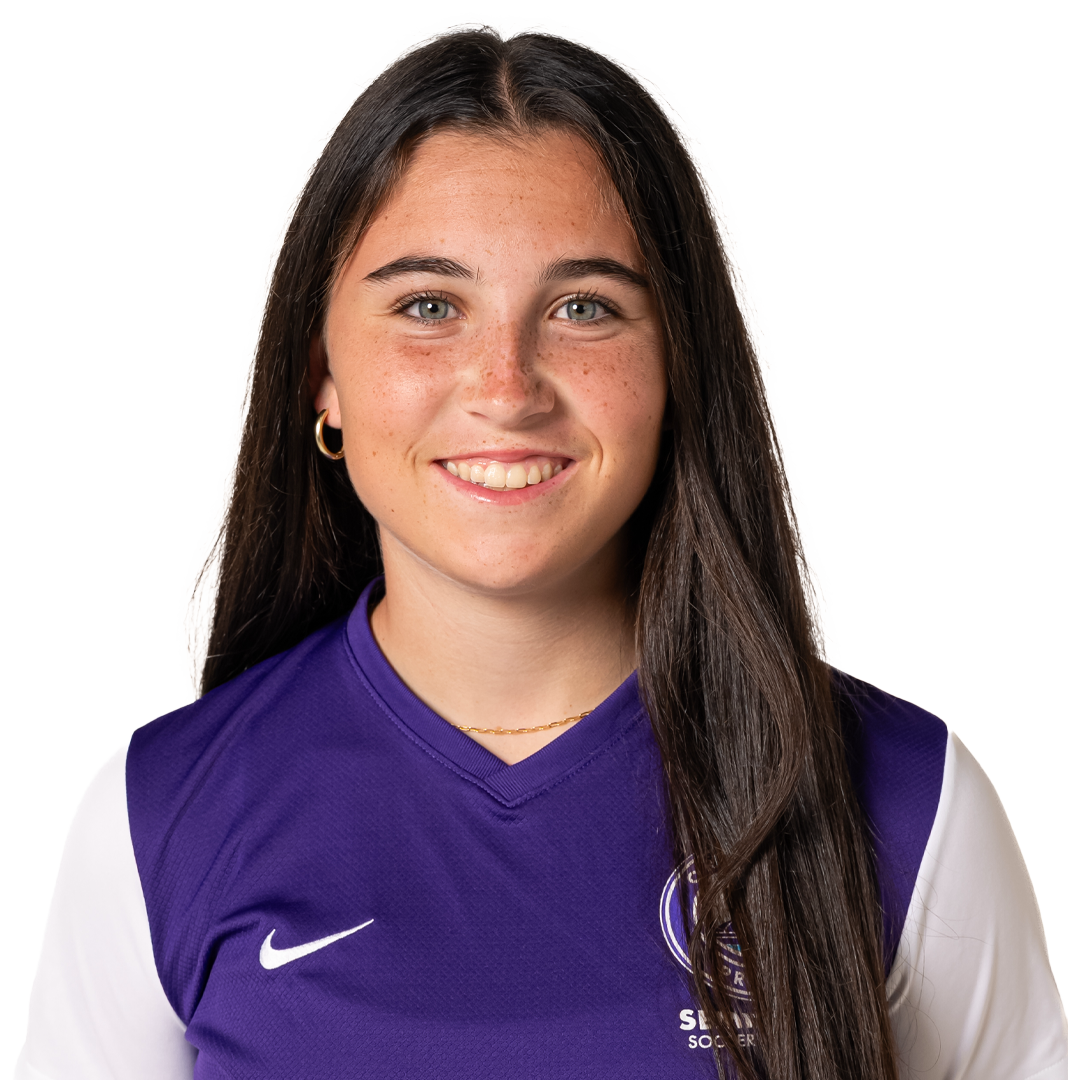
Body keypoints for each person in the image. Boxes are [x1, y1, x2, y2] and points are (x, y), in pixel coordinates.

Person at [18, 18, 1066, 1080]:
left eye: (583, 307)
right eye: (430, 305)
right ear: (319, 375)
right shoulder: (156, 818)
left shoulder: (908, 800)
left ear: (678, 366)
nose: (507, 386)